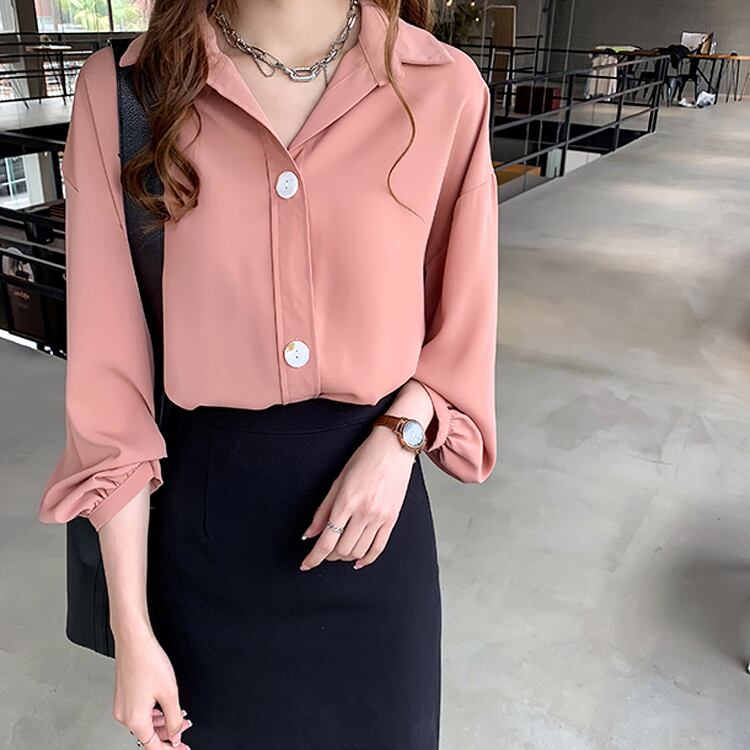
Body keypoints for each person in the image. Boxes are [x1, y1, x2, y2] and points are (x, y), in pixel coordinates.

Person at [36, 0, 499, 746]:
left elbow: (460, 332)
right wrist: (131, 628)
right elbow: (109, 391)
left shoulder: (443, 86)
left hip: (375, 544)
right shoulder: (124, 92)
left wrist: (402, 437)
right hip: (204, 551)